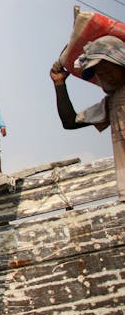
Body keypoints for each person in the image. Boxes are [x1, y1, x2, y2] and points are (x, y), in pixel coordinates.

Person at [50, 35, 125, 202]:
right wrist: (59, 83)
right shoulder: (112, 103)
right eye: (100, 73)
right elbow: (70, 122)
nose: (106, 76)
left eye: (108, 68)